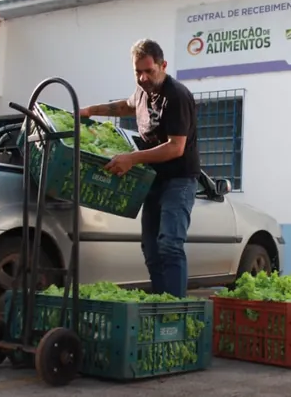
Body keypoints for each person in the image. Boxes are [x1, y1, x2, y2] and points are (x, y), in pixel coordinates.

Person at [79, 39, 201, 298]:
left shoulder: (177, 96)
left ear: (163, 65)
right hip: (154, 179)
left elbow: (175, 147)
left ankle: (174, 310)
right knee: (151, 248)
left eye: (149, 71)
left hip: (179, 180)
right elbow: (126, 105)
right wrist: (90, 110)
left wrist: (132, 158)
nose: (143, 78)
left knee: (169, 244)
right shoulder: (143, 91)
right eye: (138, 72)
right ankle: (159, 303)